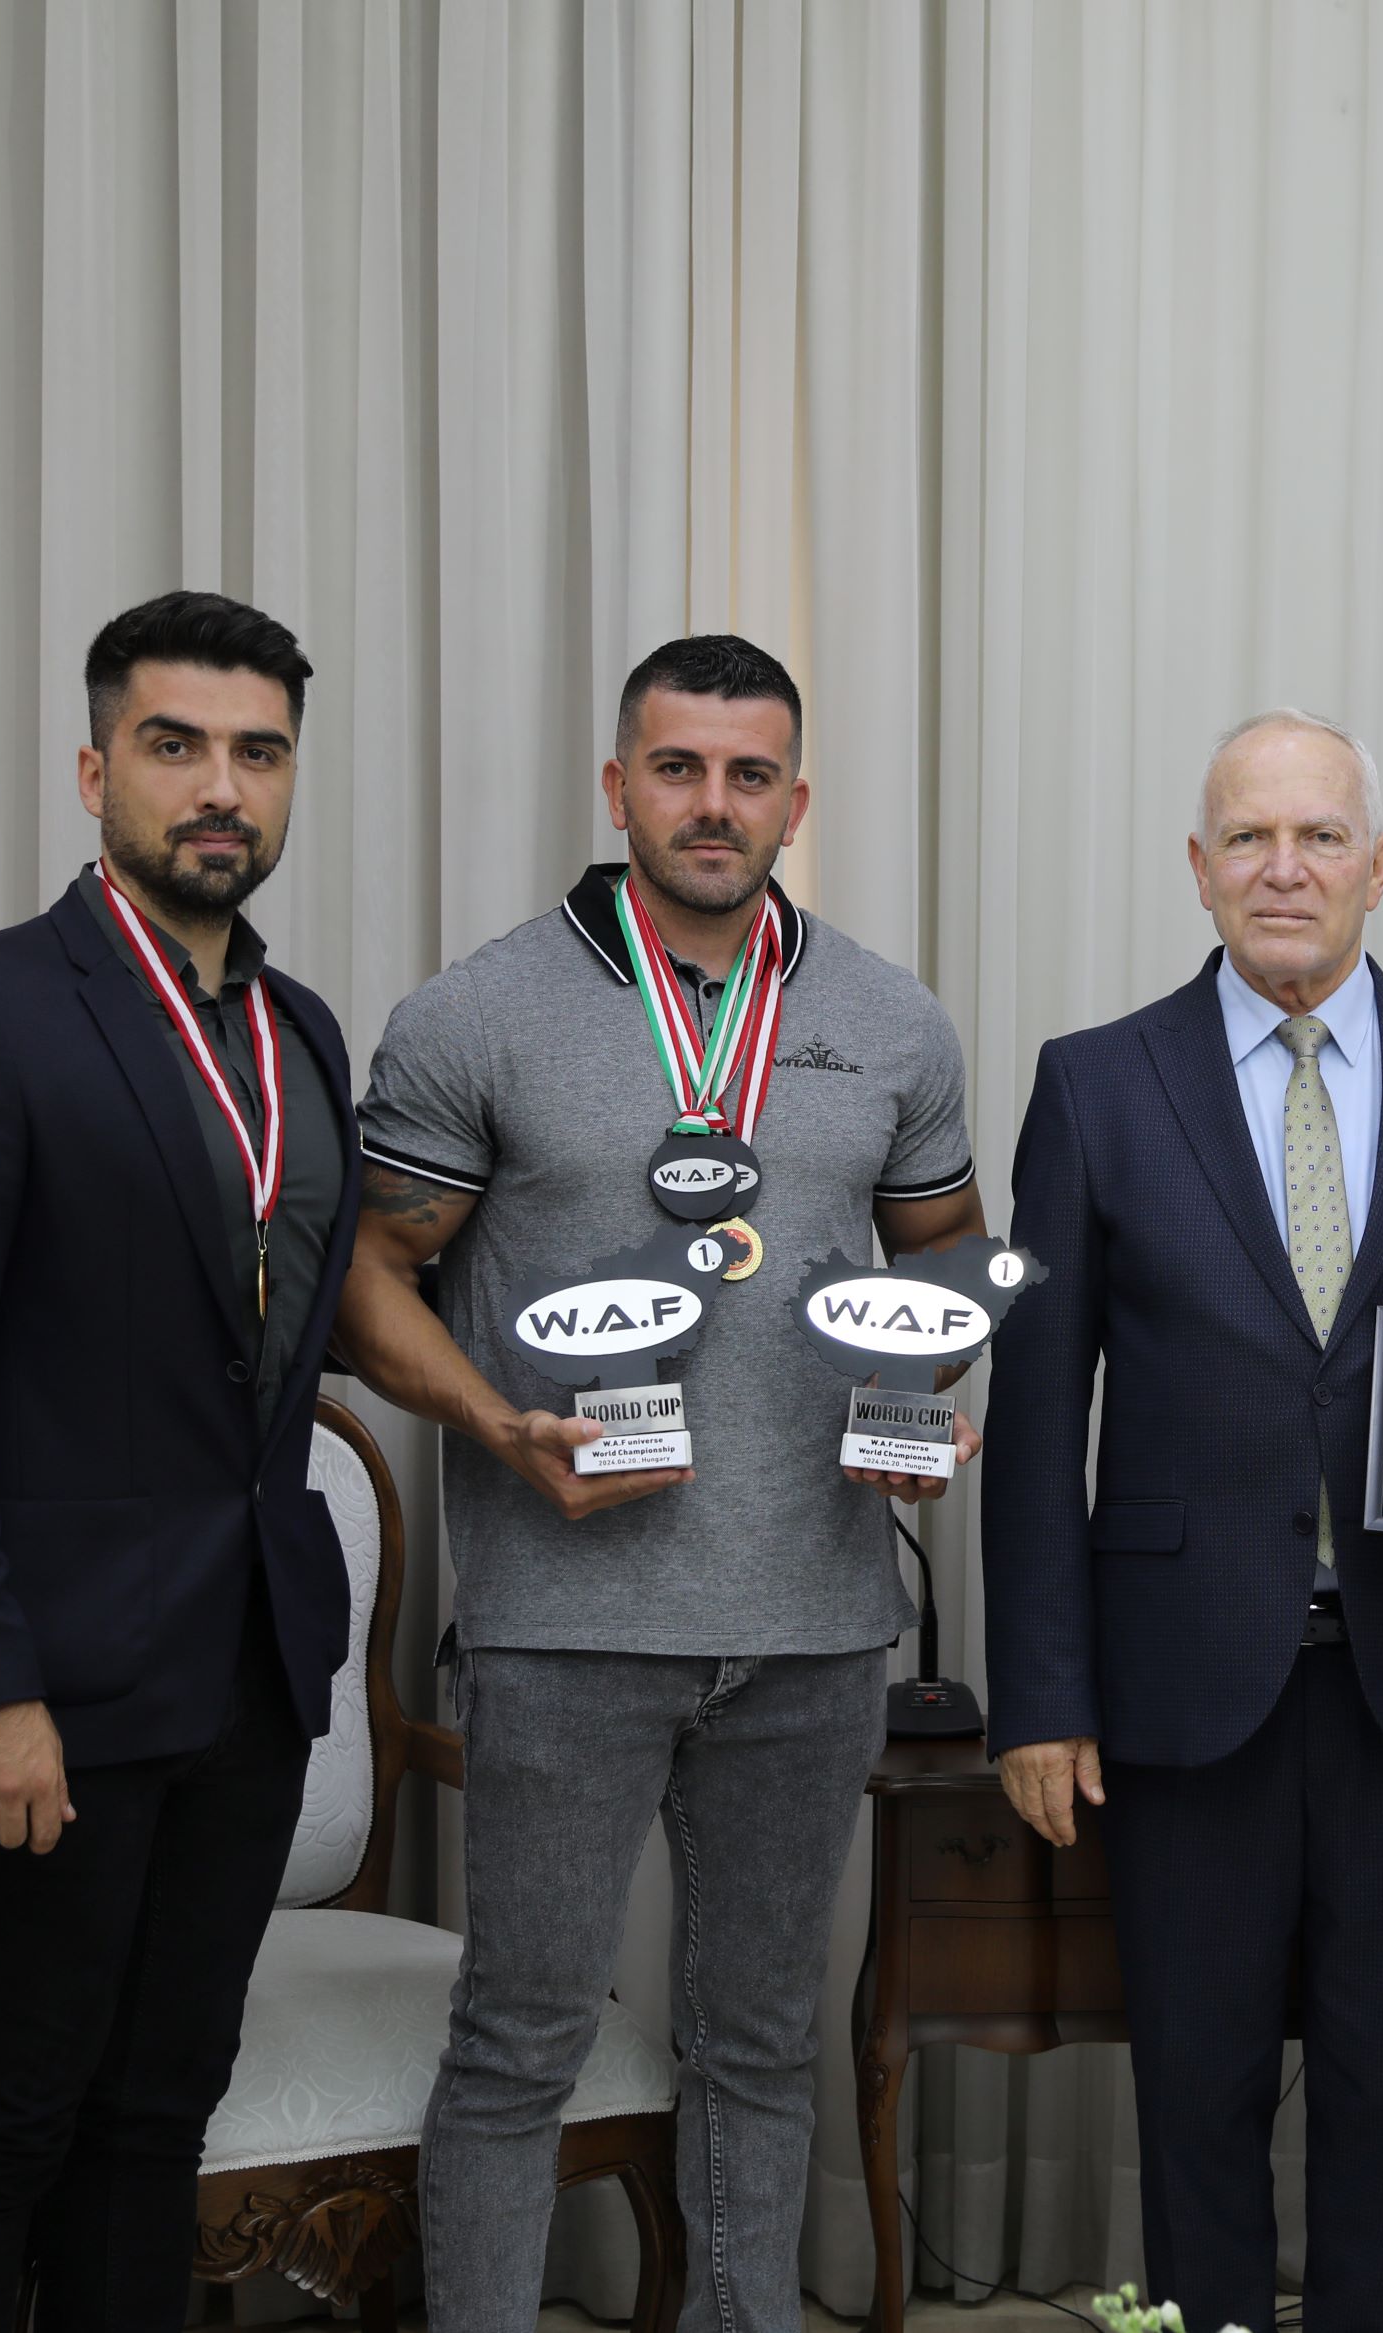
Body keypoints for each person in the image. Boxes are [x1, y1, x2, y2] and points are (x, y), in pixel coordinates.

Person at [334, 635, 984, 2333]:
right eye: (678, 768)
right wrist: (499, 1426)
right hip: (565, 1620)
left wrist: (918, 1389)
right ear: (618, 784)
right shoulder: (478, 1012)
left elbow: (946, 1253)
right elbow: (366, 1277)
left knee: (760, 2038)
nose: (713, 803)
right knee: (522, 2038)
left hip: (817, 1623)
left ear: (795, 801)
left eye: (748, 773)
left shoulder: (891, 1019)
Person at [981, 709, 1383, 2333]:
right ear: (1199, 867)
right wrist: (1039, 1698)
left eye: (1319, 836)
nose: (1284, 868)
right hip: (1180, 1688)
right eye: (1249, 837)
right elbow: (1038, 1413)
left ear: (1379, 866)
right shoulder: (1097, 1082)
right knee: (1198, 2087)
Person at [0, 592, 360, 2330]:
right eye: (175, 744)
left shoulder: (301, 1033)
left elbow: (277, 1321)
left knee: (155, 2122)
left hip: (249, 1675)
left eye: (258, 752)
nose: (221, 787)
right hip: (37, 1690)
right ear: (93, 770)